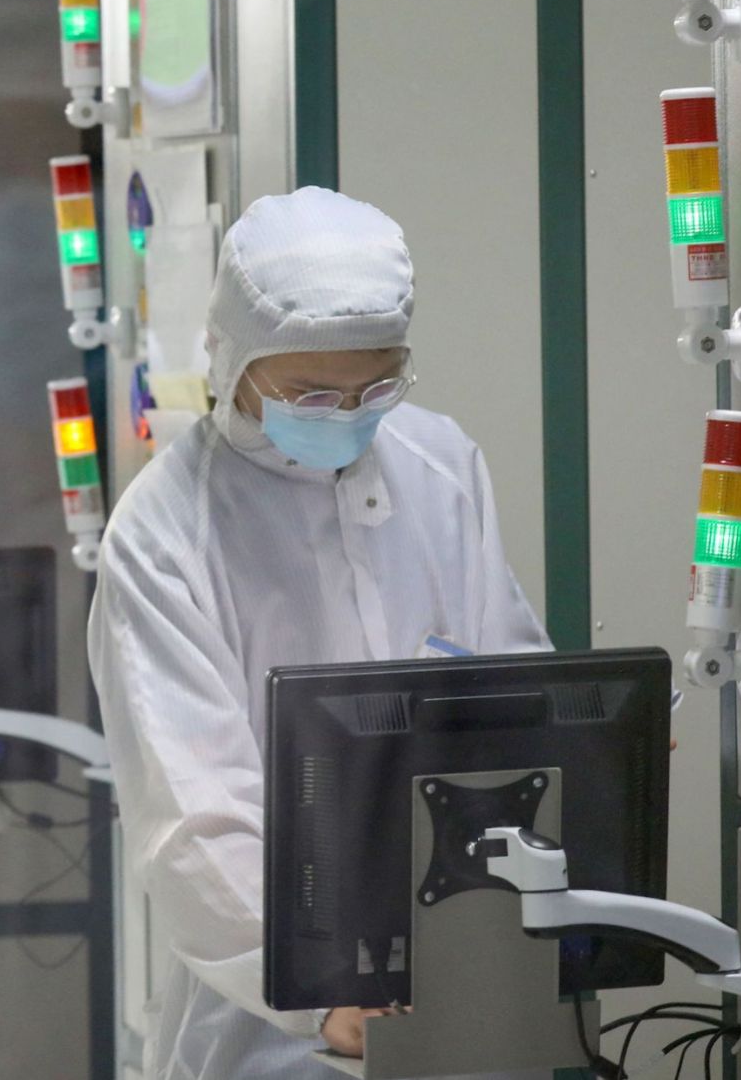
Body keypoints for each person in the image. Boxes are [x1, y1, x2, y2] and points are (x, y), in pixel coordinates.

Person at [87, 186, 551, 1080]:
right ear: (234, 361)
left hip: (461, 986)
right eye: (311, 392)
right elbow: (195, 818)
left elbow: (514, 685)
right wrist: (323, 992)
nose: (347, 414)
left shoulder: (439, 464)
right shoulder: (166, 531)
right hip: (270, 1028)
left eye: (375, 385)